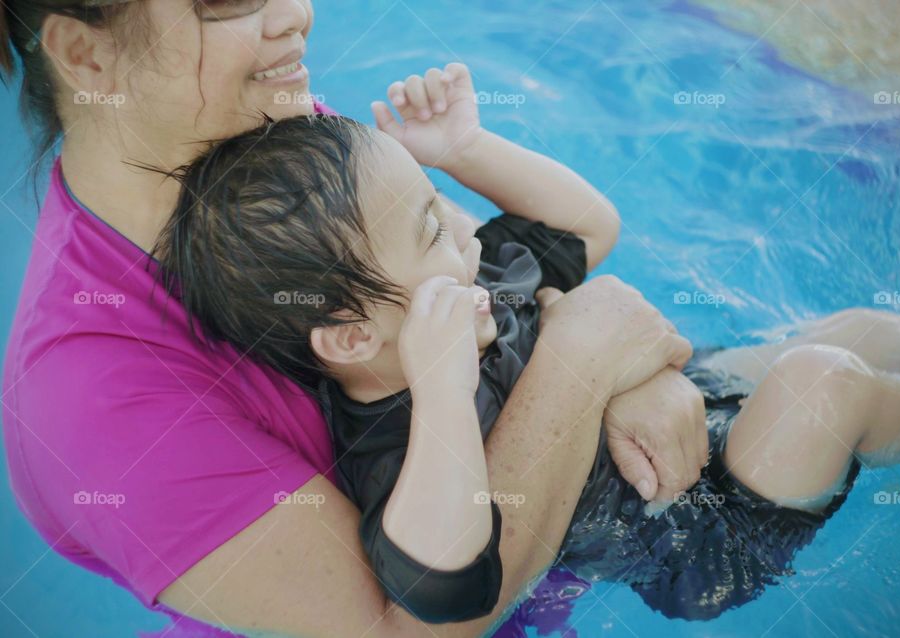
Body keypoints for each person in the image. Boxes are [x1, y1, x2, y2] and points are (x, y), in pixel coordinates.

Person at [157, 63, 900, 622]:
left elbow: (589, 228)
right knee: (825, 380)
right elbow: (442, 586)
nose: (464, 236)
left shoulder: (472, 285)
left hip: (700, 402)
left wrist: (465, 151)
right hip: (695, 531)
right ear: (355, 335)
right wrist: (440, 389)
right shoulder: (392, 448)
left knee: (854, 330)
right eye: (432, 225)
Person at [0, 2, 703, 636]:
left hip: (581, 535)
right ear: (87, 54)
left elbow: (492, 278)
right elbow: (415, 628)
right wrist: (585, 362)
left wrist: (638, 371)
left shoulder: (274, 138)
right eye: (225, 2)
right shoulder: (93, 394)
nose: (295, 15)